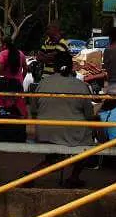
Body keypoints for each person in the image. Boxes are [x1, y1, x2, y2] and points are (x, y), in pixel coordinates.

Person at [28, 52, 95, 188]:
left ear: (54, 67)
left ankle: (31, 175)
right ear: (72, 67)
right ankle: (74, 177)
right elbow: (89, 115)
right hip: (72, 134)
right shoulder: (81, 86)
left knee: (54, 157)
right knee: (89, 141)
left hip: (45, 131)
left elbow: (33, 110)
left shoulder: (43, 83)